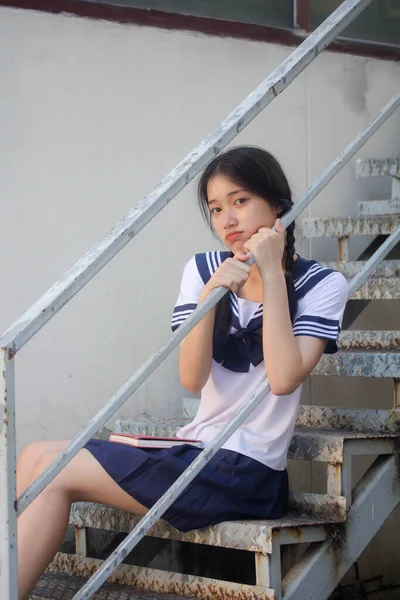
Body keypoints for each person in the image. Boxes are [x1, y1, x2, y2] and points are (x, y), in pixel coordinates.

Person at [16, 146, 348, 599]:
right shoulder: (203, 270)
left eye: (240, 201)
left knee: (51, 470)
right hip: (197, 448)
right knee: (36, 457)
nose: (227, 220)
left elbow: (284, 378)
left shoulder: (323, 285)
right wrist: (211, 293)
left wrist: (271, 274)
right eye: (215, 209)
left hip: (248, 472)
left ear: (278, 207)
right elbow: (191, 379)